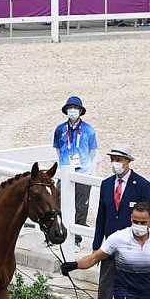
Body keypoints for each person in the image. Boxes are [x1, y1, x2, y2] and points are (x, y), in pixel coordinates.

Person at [91, 143, 150, 299]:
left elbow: (149, 219)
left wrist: (149, 247)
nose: (115, 163)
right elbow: (101, 216)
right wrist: (96, 247)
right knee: (105, 289)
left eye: (118, 160)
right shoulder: (107, 184)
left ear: (128, 161)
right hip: (110, 246)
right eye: (113, 160)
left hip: (133, 248)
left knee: (135, 290)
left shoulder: (142, 185)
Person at [53, 96, 98, 247]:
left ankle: (77, 239)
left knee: (81, 206)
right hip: (65, 171)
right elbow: (58, 150)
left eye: (76, 108)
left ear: (80, 111)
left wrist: (86, 167)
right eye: (70, 108)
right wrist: (64, 164)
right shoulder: (60, 129)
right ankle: (58, 234)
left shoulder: (88, 130)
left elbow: (93, 151)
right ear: (66, 110)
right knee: (58, 202)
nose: (73, 111)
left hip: (83, 172)